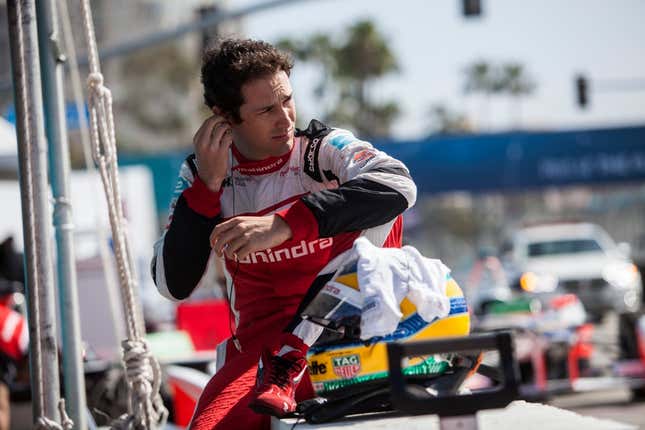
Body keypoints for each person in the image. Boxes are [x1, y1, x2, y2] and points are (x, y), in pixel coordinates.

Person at [151, 38, 417, 429]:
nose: (285, 118)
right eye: (266, 110)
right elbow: (171, 285)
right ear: (224, 116)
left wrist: (283, 226)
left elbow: (400, 185)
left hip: (356, 335)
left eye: (287, 100)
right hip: (261, 360)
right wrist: (207, 190)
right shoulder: (203, 173)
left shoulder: (323, 150)